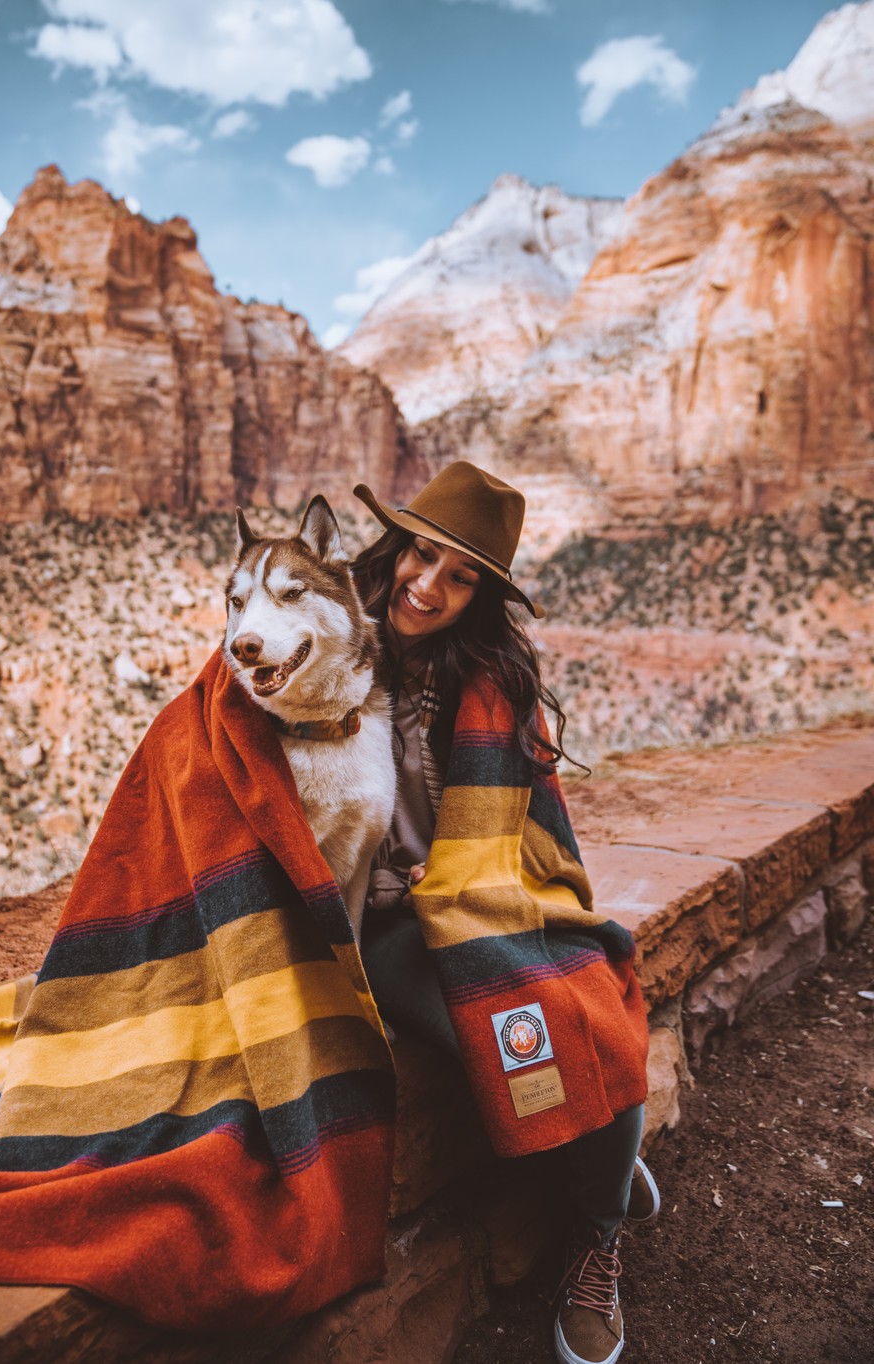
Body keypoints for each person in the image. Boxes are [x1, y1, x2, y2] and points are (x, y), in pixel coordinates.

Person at [351, 460, 659, 1364]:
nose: (428, 585)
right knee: (505, 1029)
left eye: (461, 574)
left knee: (591, 1007)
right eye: (422, 555)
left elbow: (529, 830)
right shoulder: (322, 649)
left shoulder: (489, 679)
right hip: (381, 922)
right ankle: (598, 1166)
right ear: (395, 546)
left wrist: (471, 888)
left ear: (481, 594)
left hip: (485, 894)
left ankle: (596, 1234)